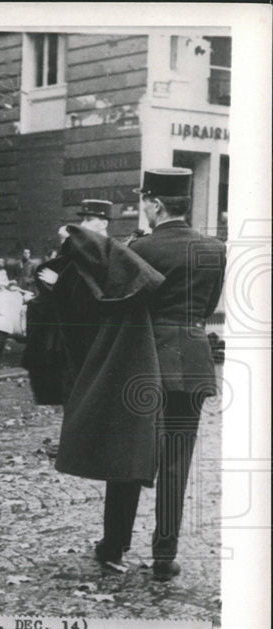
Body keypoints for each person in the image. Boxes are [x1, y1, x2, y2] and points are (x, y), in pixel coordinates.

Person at [98, 168, 226, 581]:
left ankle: (114, 544)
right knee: (176, 462)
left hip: (144, 359)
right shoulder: (213, 248)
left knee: (128, 453)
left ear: (154, 204)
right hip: (191, 360)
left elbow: (118, 303)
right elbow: (206, 308)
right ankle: (164, 556)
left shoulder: (140, 248)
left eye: (144, 203)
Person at [35, 209, 172, 579]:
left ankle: (114, 545)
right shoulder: (129, 269)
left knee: (122, 464)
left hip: (112, 379)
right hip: (153, 372)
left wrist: (54, 286)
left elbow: (73, 322)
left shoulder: (86, 280)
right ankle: (152, 551)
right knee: (137, 465)